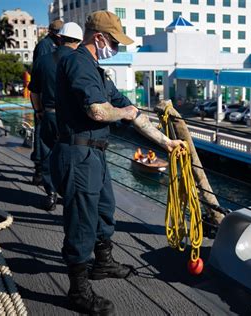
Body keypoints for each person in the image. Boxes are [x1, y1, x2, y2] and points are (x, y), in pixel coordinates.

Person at [50, 11, 183, 315]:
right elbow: (98, 111)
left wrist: (165, 142)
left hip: (95, 154)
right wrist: (124, 114)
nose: (117, 49)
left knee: (104, 210)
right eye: (114, 42)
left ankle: (103, 262)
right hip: (78, 155)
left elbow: (131, 110)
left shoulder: (95, 70)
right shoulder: (77, 63)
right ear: (99, 38)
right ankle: (78, 290)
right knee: (81, 221)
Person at [28, 22, 83, 211]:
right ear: (79, 41)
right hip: (72, 119)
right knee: (72, 157)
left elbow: (34, 92)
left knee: (48, 155)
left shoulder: (43, 61)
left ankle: (50, 194)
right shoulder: (80, 60)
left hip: (49, 115)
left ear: (59, 38)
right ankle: (70, 195)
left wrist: (38, 111)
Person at [30, 19, 64, 186]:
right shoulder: (45, 46)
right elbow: (41, 73)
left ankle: (45, 171)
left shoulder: (54, 46)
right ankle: (40, 170)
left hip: (49, 99)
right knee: (42, 137)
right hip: (45, 100)